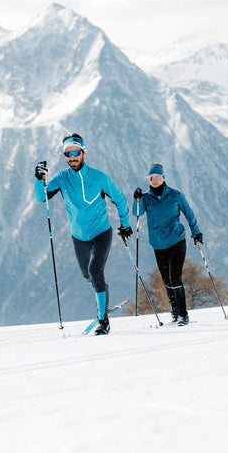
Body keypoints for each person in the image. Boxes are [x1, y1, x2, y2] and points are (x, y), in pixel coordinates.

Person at [34, 133, 131, 335]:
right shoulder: (62, 178)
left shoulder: (99, 177)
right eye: (67, 154)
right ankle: (101, 291)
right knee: (88, 274)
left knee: (95, 270)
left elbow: (120, 199)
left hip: (101, 232)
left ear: (84, 152)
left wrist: (125, 225)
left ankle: (103, 320)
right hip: (78, 237)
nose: (72, 157)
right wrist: (38, 178)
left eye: (76, 152)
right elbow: (40, 197)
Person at [132, 162, 203, 326]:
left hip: (177, 241)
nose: (154, 180)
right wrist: (136, 198)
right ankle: (175, 310)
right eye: (151, 177)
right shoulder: (146, 199)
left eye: (157, 176)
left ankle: (183, 314)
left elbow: (189, 214)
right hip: (158, 245)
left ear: (163, 178)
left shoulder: (175, 195)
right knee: (166, 280)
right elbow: (137, 212)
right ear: (148, 180)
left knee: (175, 277)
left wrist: (196, 232)